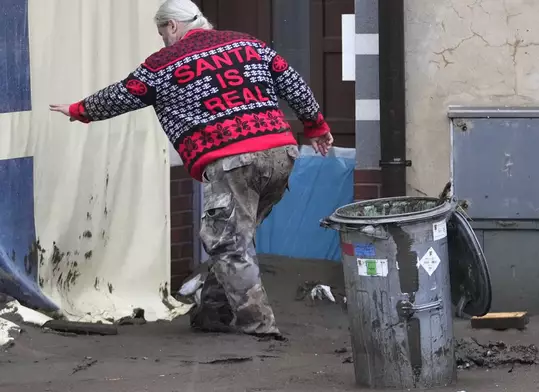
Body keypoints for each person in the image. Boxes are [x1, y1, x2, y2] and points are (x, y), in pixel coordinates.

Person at [50, 0, 333, 339]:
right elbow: (293, 82)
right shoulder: (248, 44)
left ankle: (259, 326)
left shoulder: (163, 63)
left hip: (233, 160)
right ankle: (213, 311)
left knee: (229, 243)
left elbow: (123, 94)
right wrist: (315, 127)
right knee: (234, 237)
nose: (162, 41)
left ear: (172, 26)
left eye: (161, 33)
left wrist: (80, 110)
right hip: (280, 154)